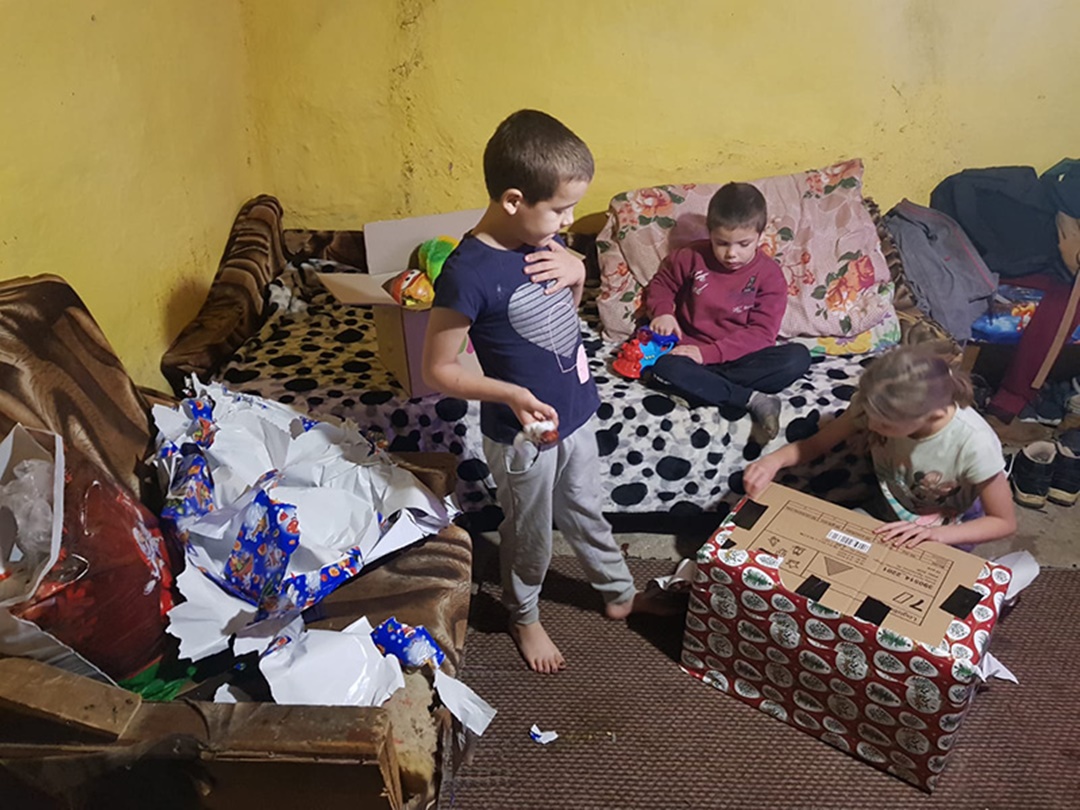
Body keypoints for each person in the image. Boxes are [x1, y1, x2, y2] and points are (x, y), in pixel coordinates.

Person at [422, 109, 672, 674]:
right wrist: (511, 395)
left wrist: (578, 272)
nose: (569, 220)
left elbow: (562, 318)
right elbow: (438, 368)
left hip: (577, 411)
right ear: (514, 200)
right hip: (524, 434)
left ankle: (618, 593)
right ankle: (524, 614)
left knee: (586, 507)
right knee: (530, 530)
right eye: (561, 209)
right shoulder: (467, 272)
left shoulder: (547, 242)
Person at [742, 345, 1017, 549]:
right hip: (887, 512)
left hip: (950, 529)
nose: (871, 425)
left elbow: (1003, 522)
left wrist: (937, 535)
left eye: (885, 425)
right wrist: (773, 461)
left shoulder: (975, 444)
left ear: (931, 416)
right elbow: (816, 445)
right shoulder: (873, 405)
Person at [642, 182, 811, 441]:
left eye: (744, 244)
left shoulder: (770, 275)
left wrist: (708, 354)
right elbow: (662, 284)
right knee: (664, 367)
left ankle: (707, 389)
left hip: (740, 357)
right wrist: (663, 312)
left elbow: (762, 334)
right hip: (687, 355)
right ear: (710, 233)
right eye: (721, 243)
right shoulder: (690, 257)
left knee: (797, 358)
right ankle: (751, 399)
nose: (731, 253)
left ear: (761, 235)